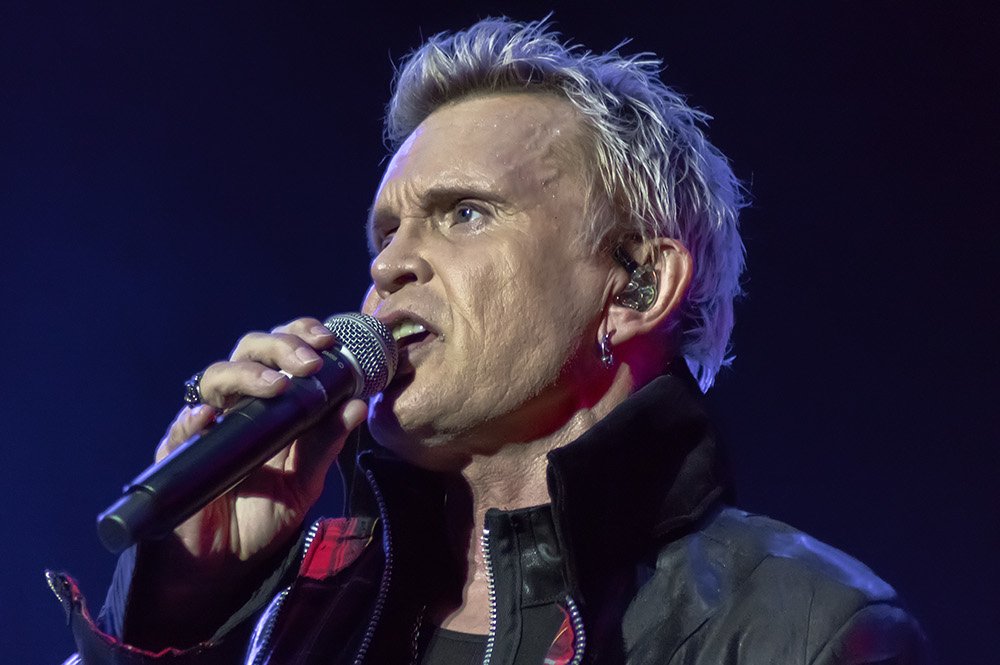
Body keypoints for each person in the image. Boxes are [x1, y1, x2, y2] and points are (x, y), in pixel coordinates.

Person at [49, 17, 929, 665]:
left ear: (637, 284)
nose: (389, 265)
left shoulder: (807, 629)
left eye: (464, 213)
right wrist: (175, 608)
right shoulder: (288, 612)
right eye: (385, 233)